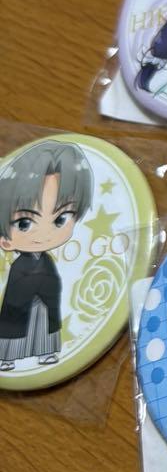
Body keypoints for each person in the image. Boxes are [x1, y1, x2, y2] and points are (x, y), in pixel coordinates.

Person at [0, 142, 92, 369]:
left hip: (43, 303)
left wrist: (46, 291)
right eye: (24, 223)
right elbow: (15, 292)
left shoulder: (46, 262)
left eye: (61, 219)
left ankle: (46, 353)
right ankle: (8, 357)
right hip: (21, 305)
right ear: (4, 240)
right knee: (16, 327)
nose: (44, 234)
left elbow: (54, 284)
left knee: (43, 326)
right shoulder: (20, 265)